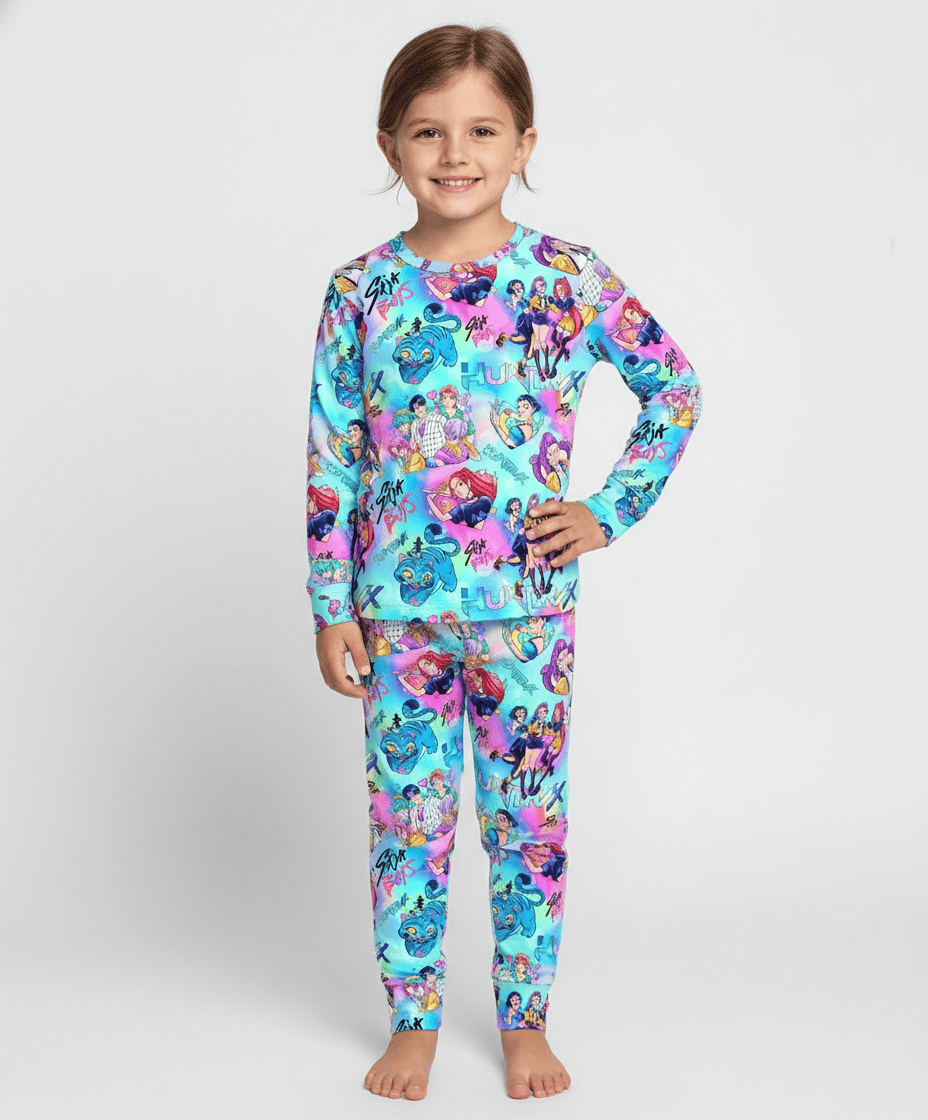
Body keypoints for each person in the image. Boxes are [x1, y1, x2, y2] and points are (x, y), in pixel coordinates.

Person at [306, 23, 702, 1102]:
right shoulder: (359, 291)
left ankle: (525, 1020)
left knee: (527, 825)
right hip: (397, 619)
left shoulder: (566, 276)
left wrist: (607, 512)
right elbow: (333, 454)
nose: (455, 153)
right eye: (428, 131)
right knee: (409, 826)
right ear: (389, 145)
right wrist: (330, 604)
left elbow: (672, 389)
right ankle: (414, 1021)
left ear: (525, 143)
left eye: (482, 130)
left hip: (528, 614)